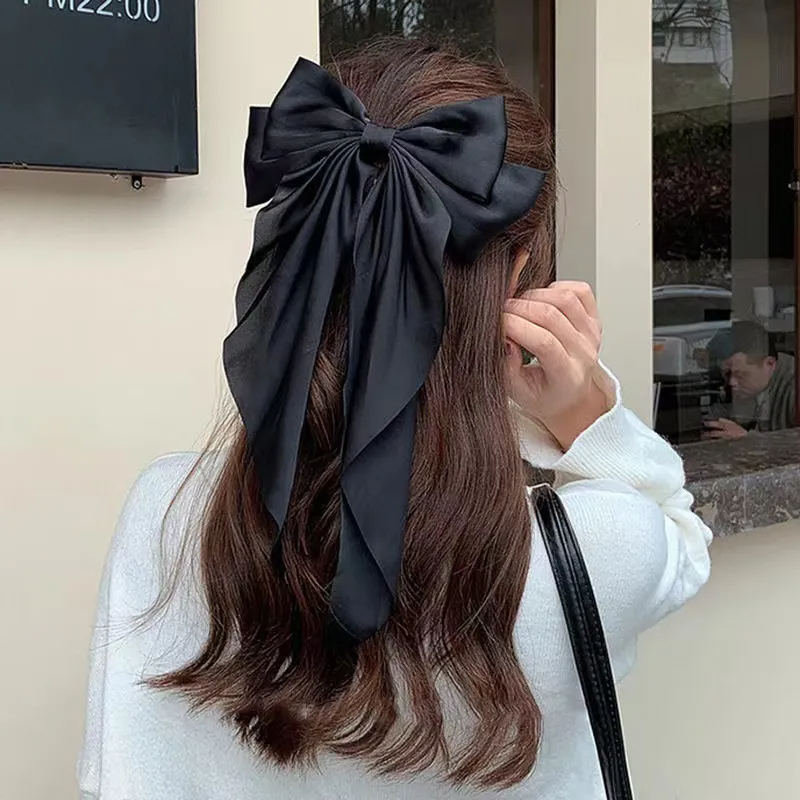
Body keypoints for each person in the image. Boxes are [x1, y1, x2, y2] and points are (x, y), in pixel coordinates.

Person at [79, 40, 712, 800]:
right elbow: (682, 538)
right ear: (515, 276)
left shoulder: (165, 511)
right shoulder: (596, 544)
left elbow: (119, 776)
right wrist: (583, 412)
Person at [703, 320, 796, 440]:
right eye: (726, 373)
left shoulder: (794, 386)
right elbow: (712, 424)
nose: (732, 382)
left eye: (740, 375)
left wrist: (747, 440)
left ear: (769, 364)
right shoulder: (733, 387)